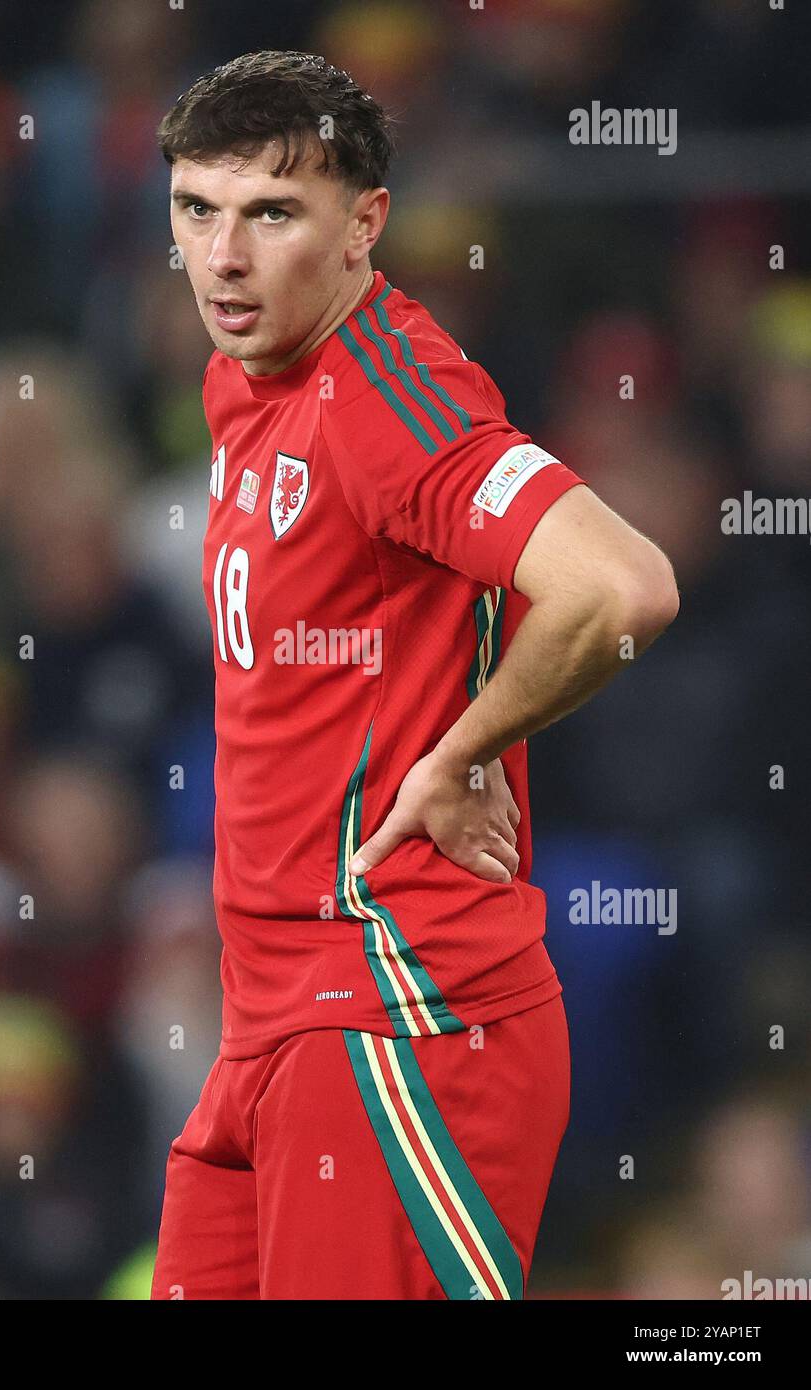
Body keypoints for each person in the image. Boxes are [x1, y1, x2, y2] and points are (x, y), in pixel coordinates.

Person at [149, 49, 679, 1301]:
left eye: (272, 213)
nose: (222, 256)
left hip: (400, 1016)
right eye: (195, 210)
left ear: (363, 226)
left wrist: (461, 749)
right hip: (270, 1023)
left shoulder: (387, 397)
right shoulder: (247, 374)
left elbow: (622, 585)